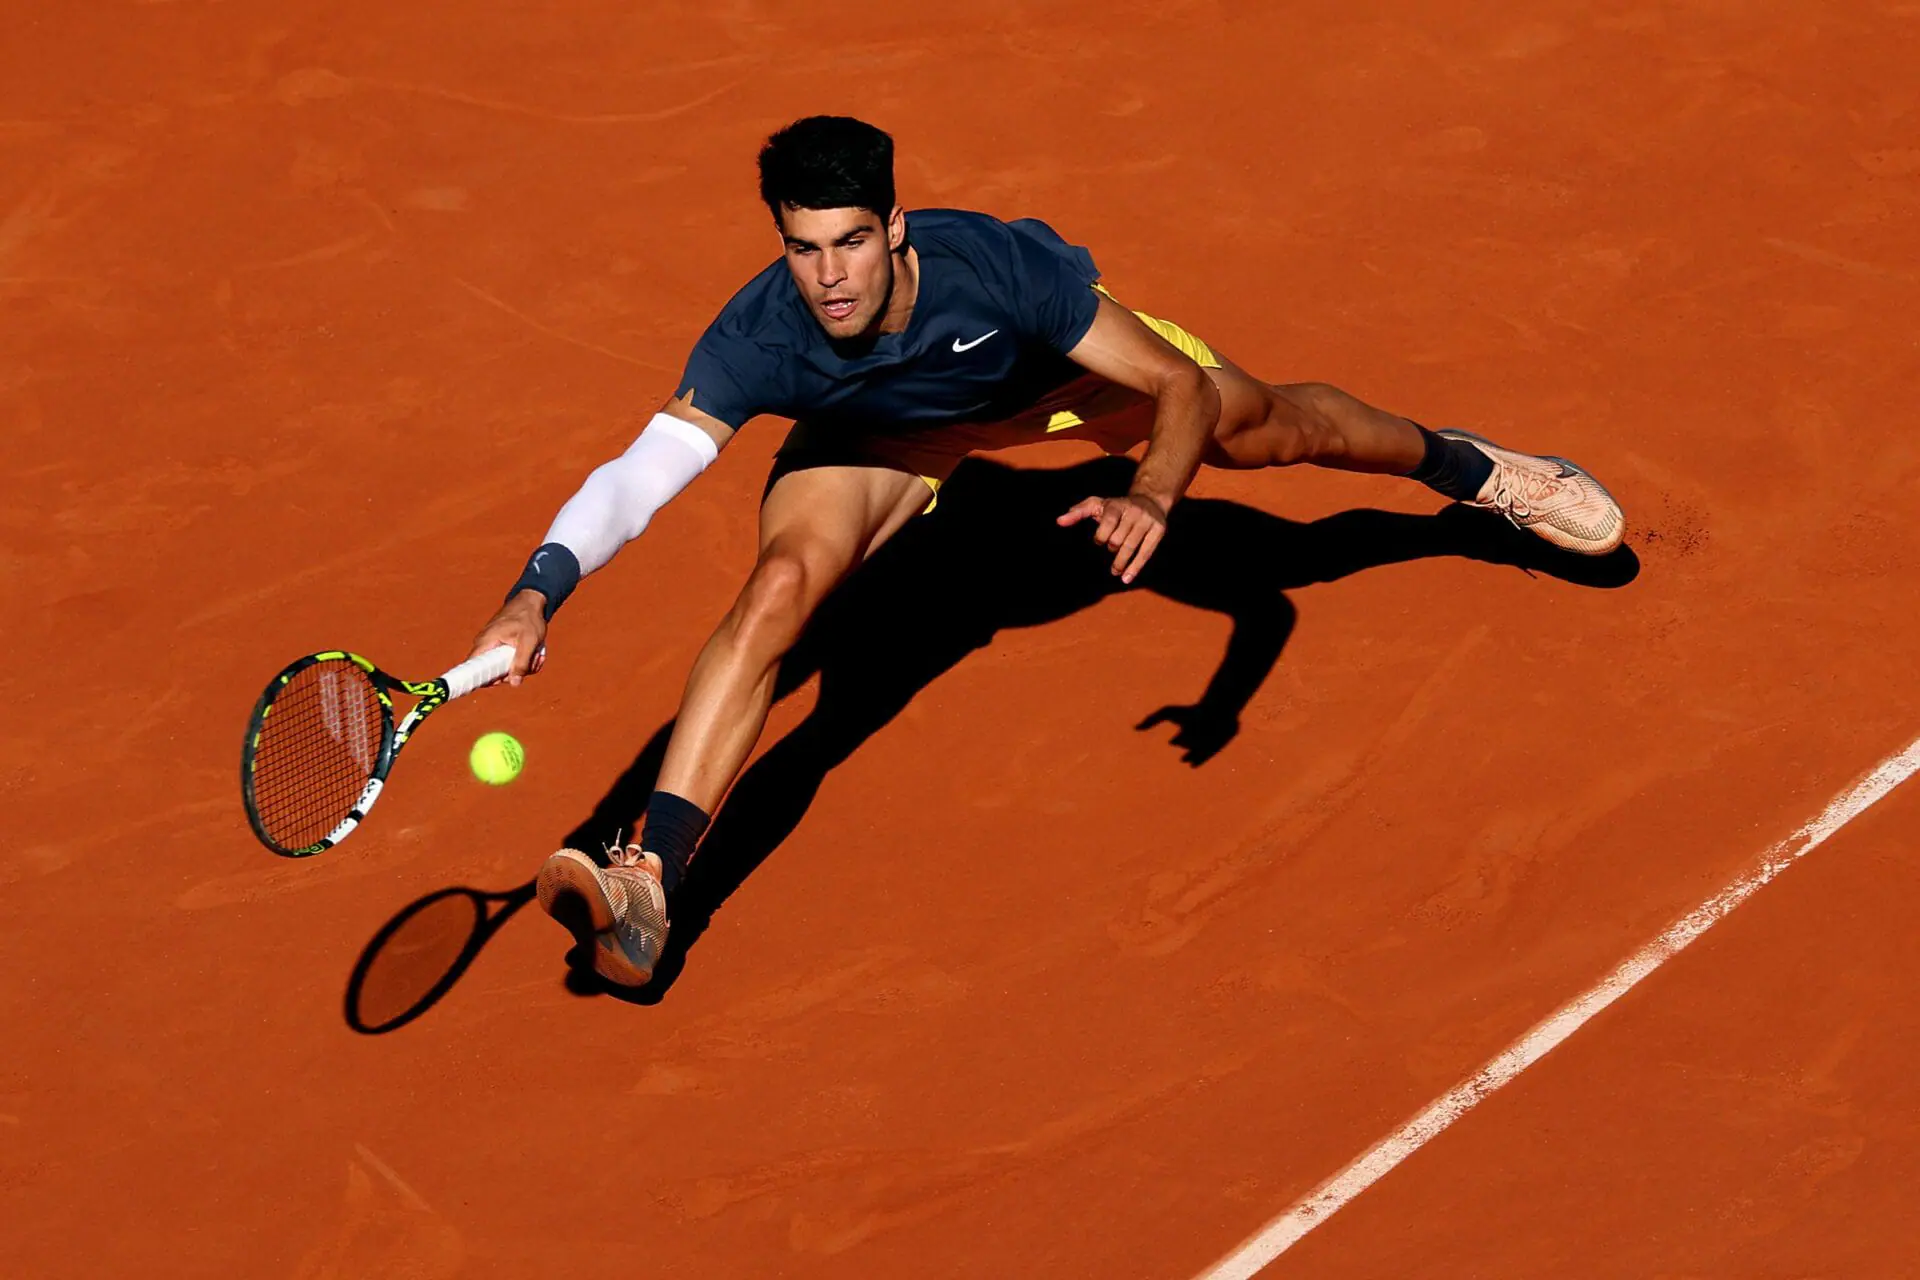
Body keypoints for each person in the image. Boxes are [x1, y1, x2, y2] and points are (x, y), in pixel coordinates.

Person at [466, 115, 1625, 987]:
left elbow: (1172, 386)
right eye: (804, 249)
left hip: (1065, 389)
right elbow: (638, 476)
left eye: (852, 244)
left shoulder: (992, 270)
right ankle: (653, 876)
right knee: (779, 587)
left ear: (895, 227)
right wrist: (535, 592)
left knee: (1276, 429)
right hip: (887, 434)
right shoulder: (762, 332)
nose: (829, 277)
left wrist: (1155, 497)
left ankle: (1469, 469)